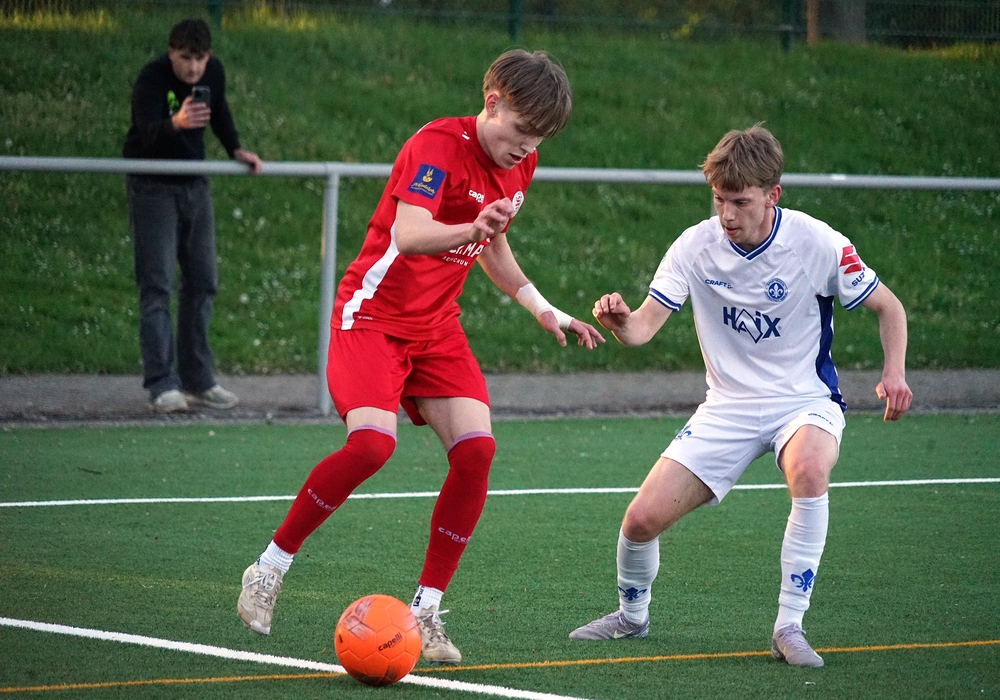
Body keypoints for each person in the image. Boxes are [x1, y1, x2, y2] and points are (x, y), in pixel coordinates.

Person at [237, 49, 604, 664]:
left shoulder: (523, 163)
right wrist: (472, 228)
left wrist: (543, 308)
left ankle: (426, 609)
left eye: (538, 139)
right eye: (521, 131)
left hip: (436, 327)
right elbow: (410, 235)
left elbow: (493, 249)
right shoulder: (437, 145)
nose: (526, 147)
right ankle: (269, 567)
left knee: (477, 452)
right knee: (372, 446)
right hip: (372, 317)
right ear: (493, 103)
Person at [570, 125, 912, 667]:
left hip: (804, 400)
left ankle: (789, 625)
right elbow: (641, 330)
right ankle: (631, 617)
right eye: (719, 199)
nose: (727, 214)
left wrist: (894, 372)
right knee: (639, 522)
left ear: (773, 195)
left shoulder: (817, 243)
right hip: (726, 407)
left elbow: (889, 308)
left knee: (808, 470)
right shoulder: (694, 245)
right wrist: (618, 322)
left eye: (741, 202)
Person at [123, 18, 262, 414]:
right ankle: (162, 384)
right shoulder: (152, 79)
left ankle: (198, 380)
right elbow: (144, 130)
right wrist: (177, 123)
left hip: (194, 185)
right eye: (185, 59)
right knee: (157, 285)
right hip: (153, 185)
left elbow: (219, 112)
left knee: (203, 281)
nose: (193, 69)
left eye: (200, 59)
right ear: (171, 53)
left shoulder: (212, 74)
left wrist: (236, 149)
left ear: (209, 56)